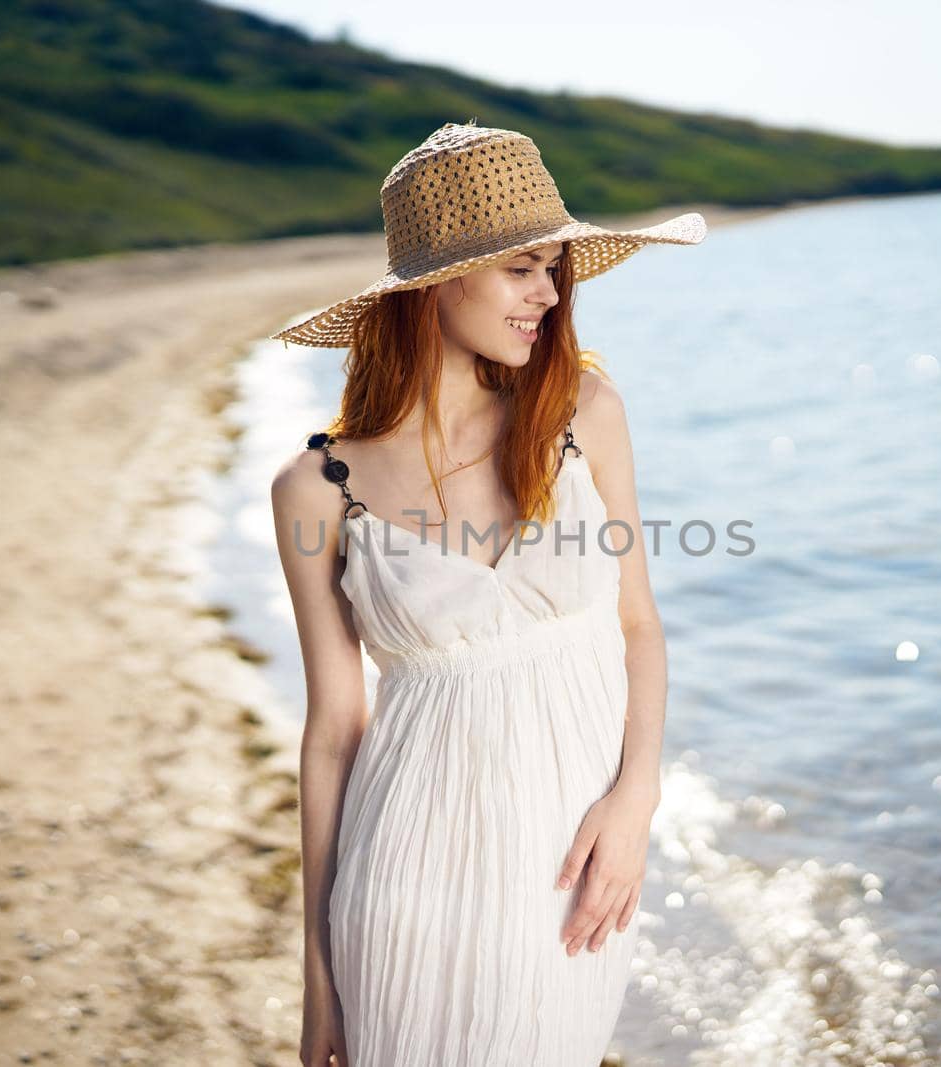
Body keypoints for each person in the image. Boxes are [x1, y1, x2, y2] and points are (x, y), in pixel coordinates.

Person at [268, 121, 706, 1067]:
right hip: (405, 867)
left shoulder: (583, 413)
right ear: (440, 283)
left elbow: (638, 624)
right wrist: (317, 973)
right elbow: (334, 728)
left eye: (554, 269)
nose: (550, 294)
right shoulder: (317, 488)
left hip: (572, 867)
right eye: (524, 270)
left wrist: (637, 799)